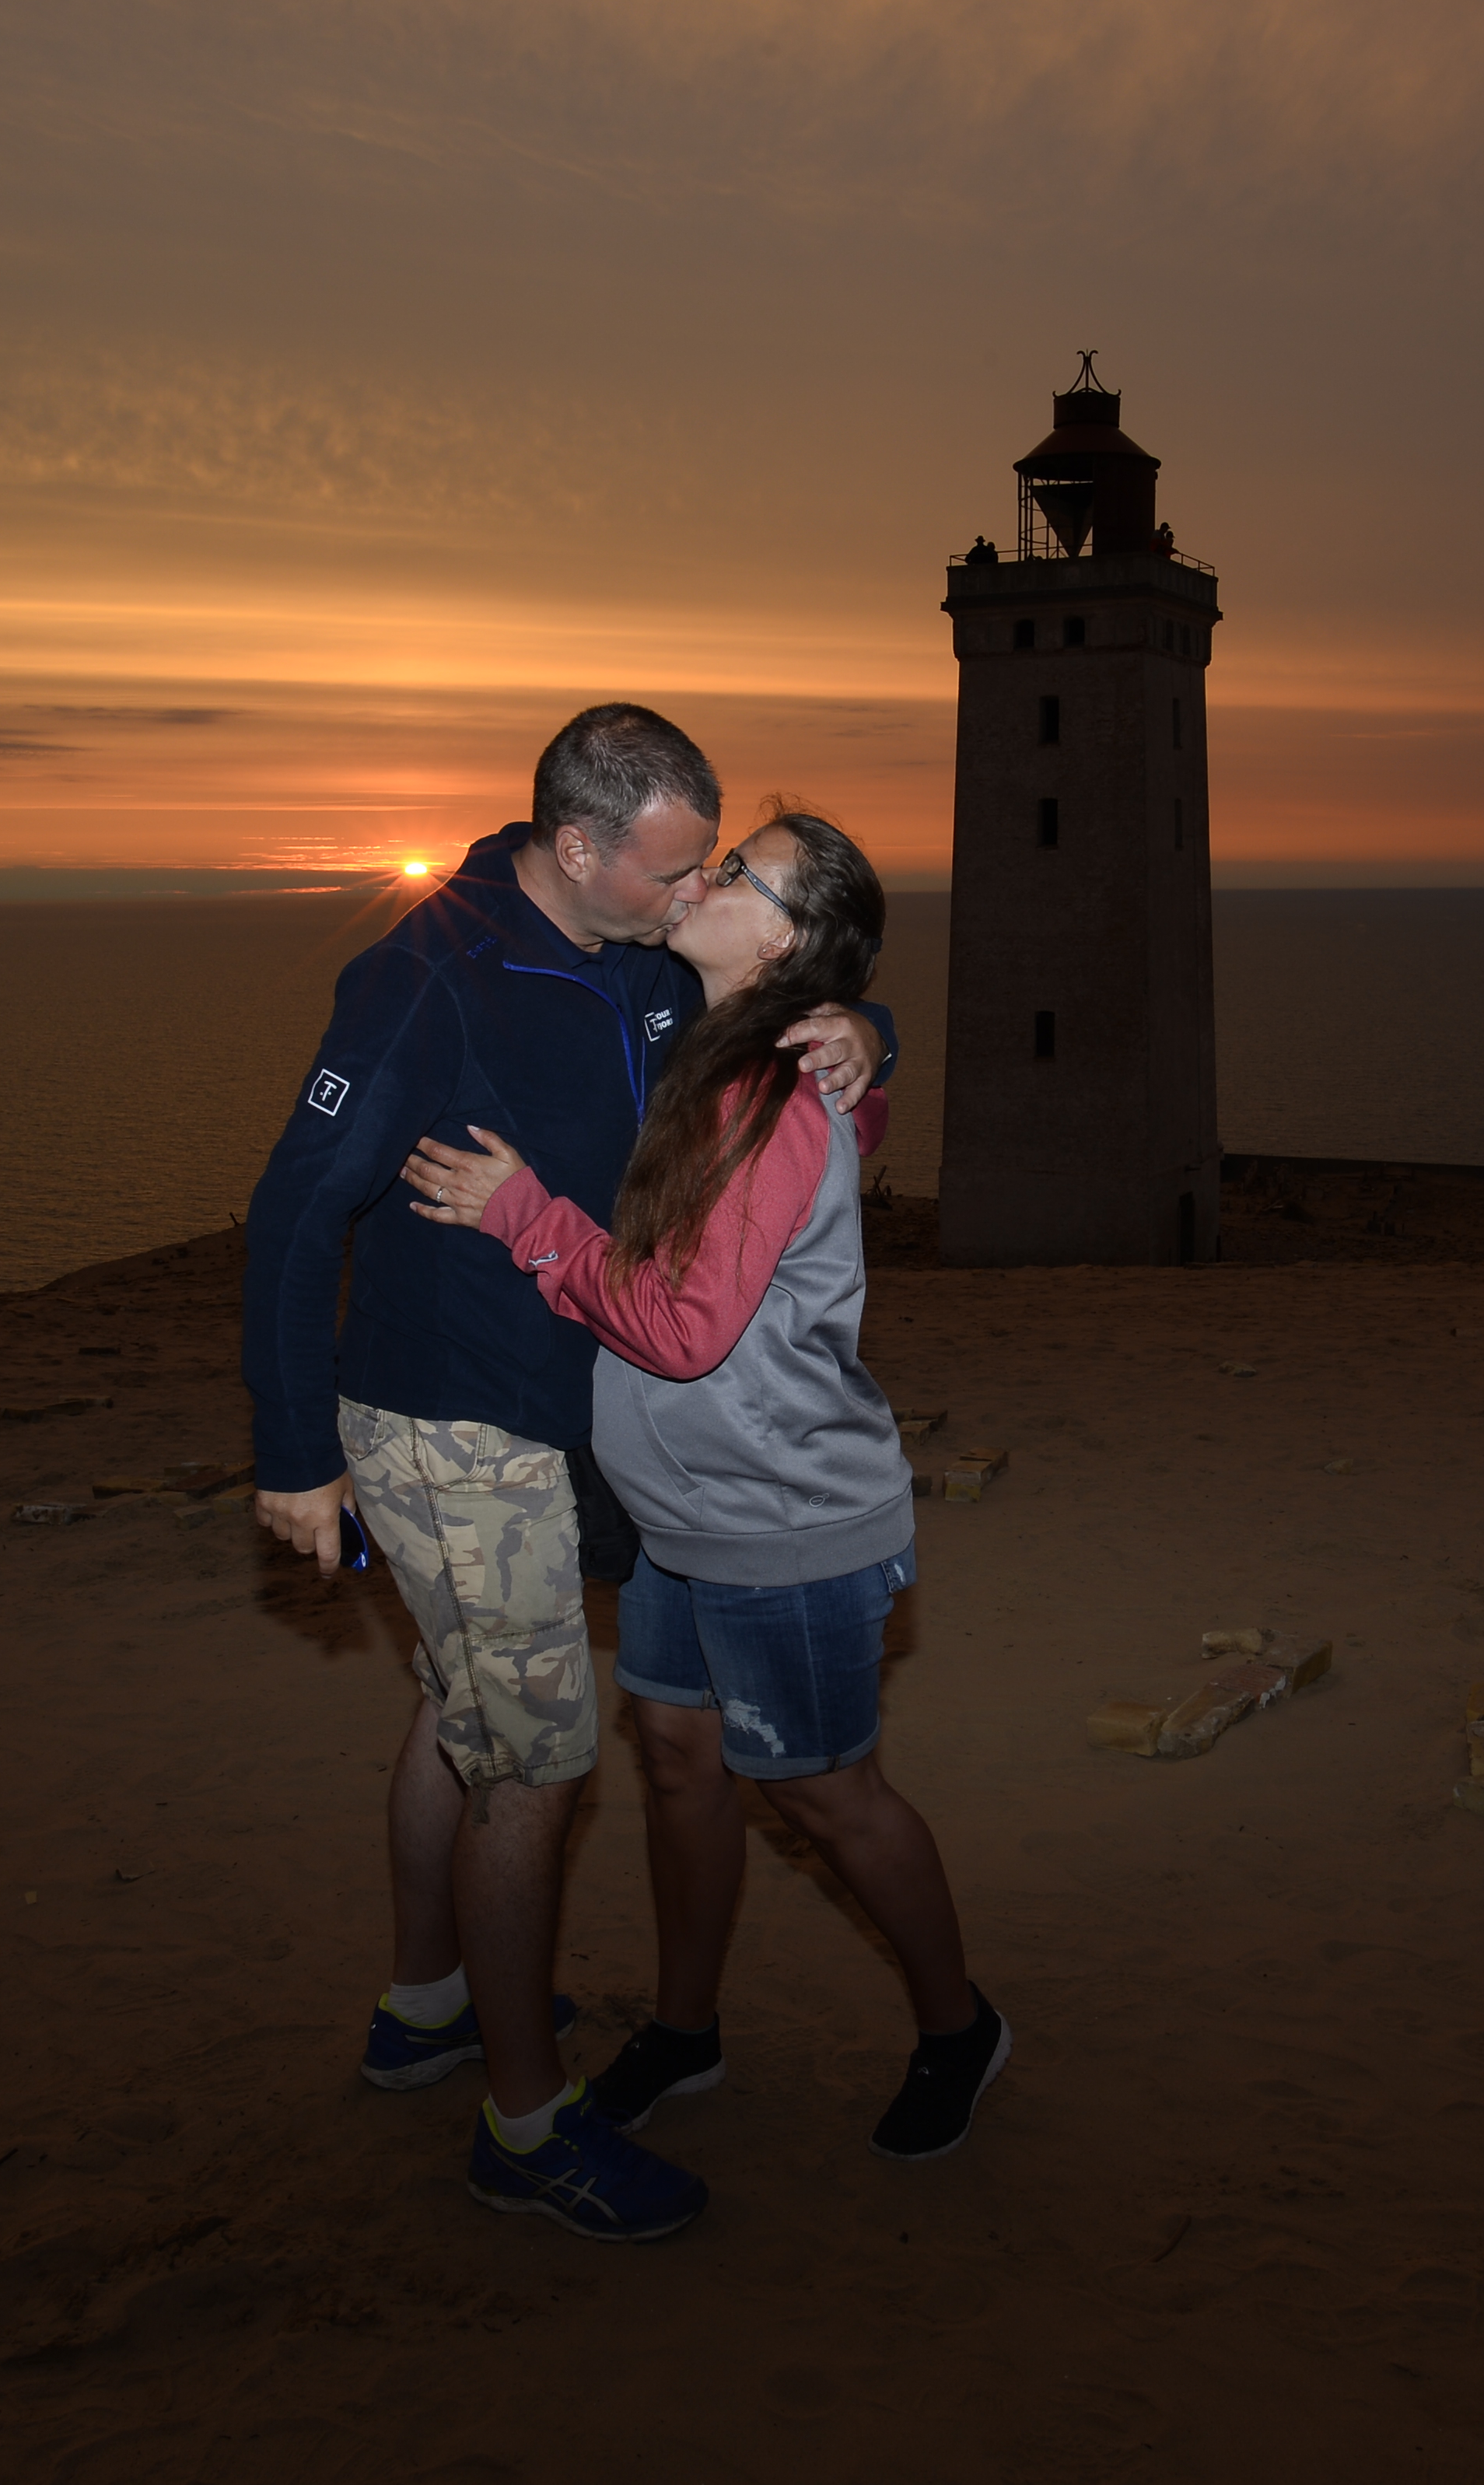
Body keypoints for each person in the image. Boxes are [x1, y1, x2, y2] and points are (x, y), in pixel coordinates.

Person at [237, 705, 891, 2245]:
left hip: (554, 1409)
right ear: (580, 845)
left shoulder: (638, 947)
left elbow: (774, 986)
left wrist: (863, 1030)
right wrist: (293, 1452)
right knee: (536, 1763)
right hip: (453, 1416)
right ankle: (527, 2129)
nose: (693, 895)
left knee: (460, 1709)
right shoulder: (428, 972)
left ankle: (426, 2007)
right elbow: (293, 1209)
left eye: (709, 868)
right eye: (675, 871)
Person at [404, 809, 1006, 2166]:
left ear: (783, 941)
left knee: (828, 1794)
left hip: (783, 1516)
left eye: (739, 872)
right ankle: (685, 2032)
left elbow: (682, 1330)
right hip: (682, 1518)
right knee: (680, 1768)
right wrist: (868, 1035)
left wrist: (523, 1218)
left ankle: (957, 2027)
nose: (707, 873)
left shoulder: (766, 1094)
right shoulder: (716, 1049)